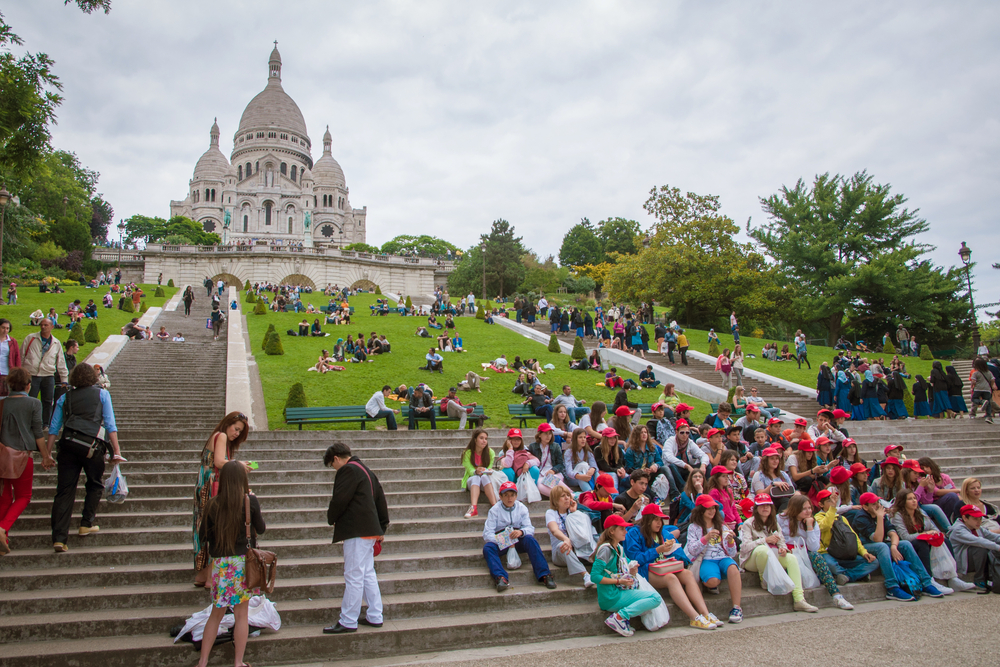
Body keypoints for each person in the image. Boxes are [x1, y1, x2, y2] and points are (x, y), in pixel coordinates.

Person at [47, 363, 126, 553]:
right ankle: (86, 522)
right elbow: (110, 424)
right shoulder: (102, 395)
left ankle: (59, 538)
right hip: (92, 446)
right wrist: (117, 451)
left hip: (68, 445)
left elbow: (53, 427)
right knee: (94, 484)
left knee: (64, 490)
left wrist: (47, 453)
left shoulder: (65, 398)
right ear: (93, 377)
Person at [195, 461, 264, 667]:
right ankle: (238, 662)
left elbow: (203, 536)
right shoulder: (249, 502)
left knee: (216, 614)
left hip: (220, 566)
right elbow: (260, 528)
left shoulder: (212, 504)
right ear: (243, 480)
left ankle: (203, 662)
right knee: (241, 616)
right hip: (242, 563)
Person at [323, 442, 390, 633]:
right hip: (370, 529)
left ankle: (348, 620)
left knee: (353, 575)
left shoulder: (348, 471)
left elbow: (339, 499)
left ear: (336, 458)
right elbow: (380, 499)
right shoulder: (366, 470)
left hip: (356, 530)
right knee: (367, 573)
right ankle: (375, 615)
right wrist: (382, 527)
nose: (334, 469)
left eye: (332, 465)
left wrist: (331, 518)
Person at [624, 504, 719, 630]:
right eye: (656, 519)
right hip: (644, 570)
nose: (659, 523)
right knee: (671, 579)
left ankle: (706, 614)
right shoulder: (634, 533)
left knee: (687, 574)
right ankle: (694, 617)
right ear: (647, 520)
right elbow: (634, 558)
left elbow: (681, 555)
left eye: (661, 520)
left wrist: (674, 556)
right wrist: (657, 550)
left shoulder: (663, 533)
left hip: (665, 566)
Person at [846, 492, 949, 599]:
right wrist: (880, 518)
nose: (877, 505)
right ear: (865, 507)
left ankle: (926, 582)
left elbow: (893, 533)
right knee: (882, 547)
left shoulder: (880, 513)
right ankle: (892, 587)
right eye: (873, 504)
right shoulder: (861, 518)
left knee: (905, 544)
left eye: (878, 502)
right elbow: (878, 539)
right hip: (864, 547)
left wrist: (894, 547)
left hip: (881, 544)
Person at [193, 411, 250, 585]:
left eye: (240, 432)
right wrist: (237, 464)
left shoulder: (216, 436)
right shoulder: (222, 436)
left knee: (203, 525)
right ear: (228, 423)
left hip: (203, 485)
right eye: (236, 429)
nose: (236, 433)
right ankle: (210, 576)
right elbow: (218, 462)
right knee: (216, 527)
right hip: (212, 486)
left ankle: (202, 574)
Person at [738, 493, 818, 612]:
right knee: (763, 550)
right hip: (752, 559)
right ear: (756, 508)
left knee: (791, 558)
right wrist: (765, 540)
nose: (765, 508)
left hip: (772, 554)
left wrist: (783, 549)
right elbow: (744, 547)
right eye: (762, 505)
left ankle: (799, 599)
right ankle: (764, 579)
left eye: (768, 505)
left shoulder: (774, 522)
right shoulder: (748, 523)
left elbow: (781, 540)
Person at [0, 368, 49, 555]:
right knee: (23, 496)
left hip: (1, 458)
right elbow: (38, 433)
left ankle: (4, 537)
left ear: (9, 385)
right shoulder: (34, 404)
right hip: (22, 458)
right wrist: (45, 455)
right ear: (28, 386)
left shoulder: (1, 403)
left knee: (4, 499)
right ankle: (3, 528)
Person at [591, 514, 664, 637]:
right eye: (622, 529)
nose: (626, 531)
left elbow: (627, 565)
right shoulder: (606, 550)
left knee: (653, 598)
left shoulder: (619, 547)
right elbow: (594, 577)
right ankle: (620, 617)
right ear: (612, 531)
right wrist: (619, 582)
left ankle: (621, 618)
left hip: (617, 593)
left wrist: (632, 570)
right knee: (655, 598)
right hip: (610, 597)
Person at [778, 495, 855, 609]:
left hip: (804, 552)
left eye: (809, 508)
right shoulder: (781, 519)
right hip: (786, 551)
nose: (808, 511)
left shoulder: (812, 521)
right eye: (804, 509)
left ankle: (837, 596)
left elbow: (813, 547)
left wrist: (809, 527)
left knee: (817, 556)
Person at [483, 481, 555, 593]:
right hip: (501, 540)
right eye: (506, 495)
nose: (509, 498)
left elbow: (530, 528)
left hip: (518, 538)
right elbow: (487, 534)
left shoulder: (522, 508)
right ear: (500, 496)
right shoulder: (494, 510)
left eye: (512, 495)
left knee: (530, 540)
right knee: (488, 548)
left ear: (516, 496)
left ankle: (545, 575)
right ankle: (500, 577)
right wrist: (505, 540)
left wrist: (521, 532)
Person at [684, 494, 743, 622]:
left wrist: (731, 541)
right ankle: (712, 581)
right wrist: (706, 538)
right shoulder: (693, 527)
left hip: (723, 557)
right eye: (708, 508)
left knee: (733, 568)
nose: (712, 511)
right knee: (712, 581)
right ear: (701, 510)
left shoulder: (721, 525)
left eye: (714, 508)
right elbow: (692, 550)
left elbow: (732, 553)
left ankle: (737, 608)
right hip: (706, 559)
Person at [22, 319, 69, 428]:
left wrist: (64, 380)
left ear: (52, 326)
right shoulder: (31, 338)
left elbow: (61, 362)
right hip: (32, 374)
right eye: (42, 325)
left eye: (46, 325)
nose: (43, 327)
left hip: (48, 375)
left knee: (47, 400)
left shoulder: (56, 343)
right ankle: (29, 422)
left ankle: (45, 423)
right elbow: (22, 355)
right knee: (31, 399)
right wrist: (21, 373)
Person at [546, 486, 596, 588]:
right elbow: (554, 530)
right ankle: (585, 575)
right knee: (563, 545)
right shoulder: (551, 513)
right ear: (555, 499)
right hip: (560, 552)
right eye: (563, 496)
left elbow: (583, 533)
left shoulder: (573, 511)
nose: (567, 498)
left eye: (568, 495)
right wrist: (566, 539)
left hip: (577, 549)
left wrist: (574, 512)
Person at [948, 504, 1000, 593]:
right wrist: (998, 547)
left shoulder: (977, 528)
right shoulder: (958, 530)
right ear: (965, 518)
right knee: (981, 548)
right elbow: (978, 541)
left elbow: (994, 537)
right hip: (961, 564)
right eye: (975, 519)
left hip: (976, 560)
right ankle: (979, 580)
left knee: (990, 546)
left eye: (980, 519)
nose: (979, 522)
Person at [461, 429, 497, 518]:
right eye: (481, 438)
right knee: (476, 477)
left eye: (486, 438)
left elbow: (489, 467)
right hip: (472, 481)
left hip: (485, 481)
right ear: (475, 439)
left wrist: (488, 471)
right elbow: (470, 470)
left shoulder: (490, 452)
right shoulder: (467, 453)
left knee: (484, 477)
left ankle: (495, 507)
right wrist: (476, 471)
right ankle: (473, 508)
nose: (484, 441)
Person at [970, 358, 997, 423]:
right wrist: (992, 385)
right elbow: (993, 379)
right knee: (989, 403)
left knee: (974, 400)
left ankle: (973, 413)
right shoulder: (989, 372)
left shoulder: (976, 373)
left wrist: (972, 387)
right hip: (987, 389)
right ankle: (988, 416)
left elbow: (973, 381)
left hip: (978, 389)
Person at [0, 318, 22, 397]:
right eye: (3, 328)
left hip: (7, 372)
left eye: (7, 328)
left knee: (6, 395)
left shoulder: (12, 341)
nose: (5, 330)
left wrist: (17, 373)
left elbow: (17, 357)